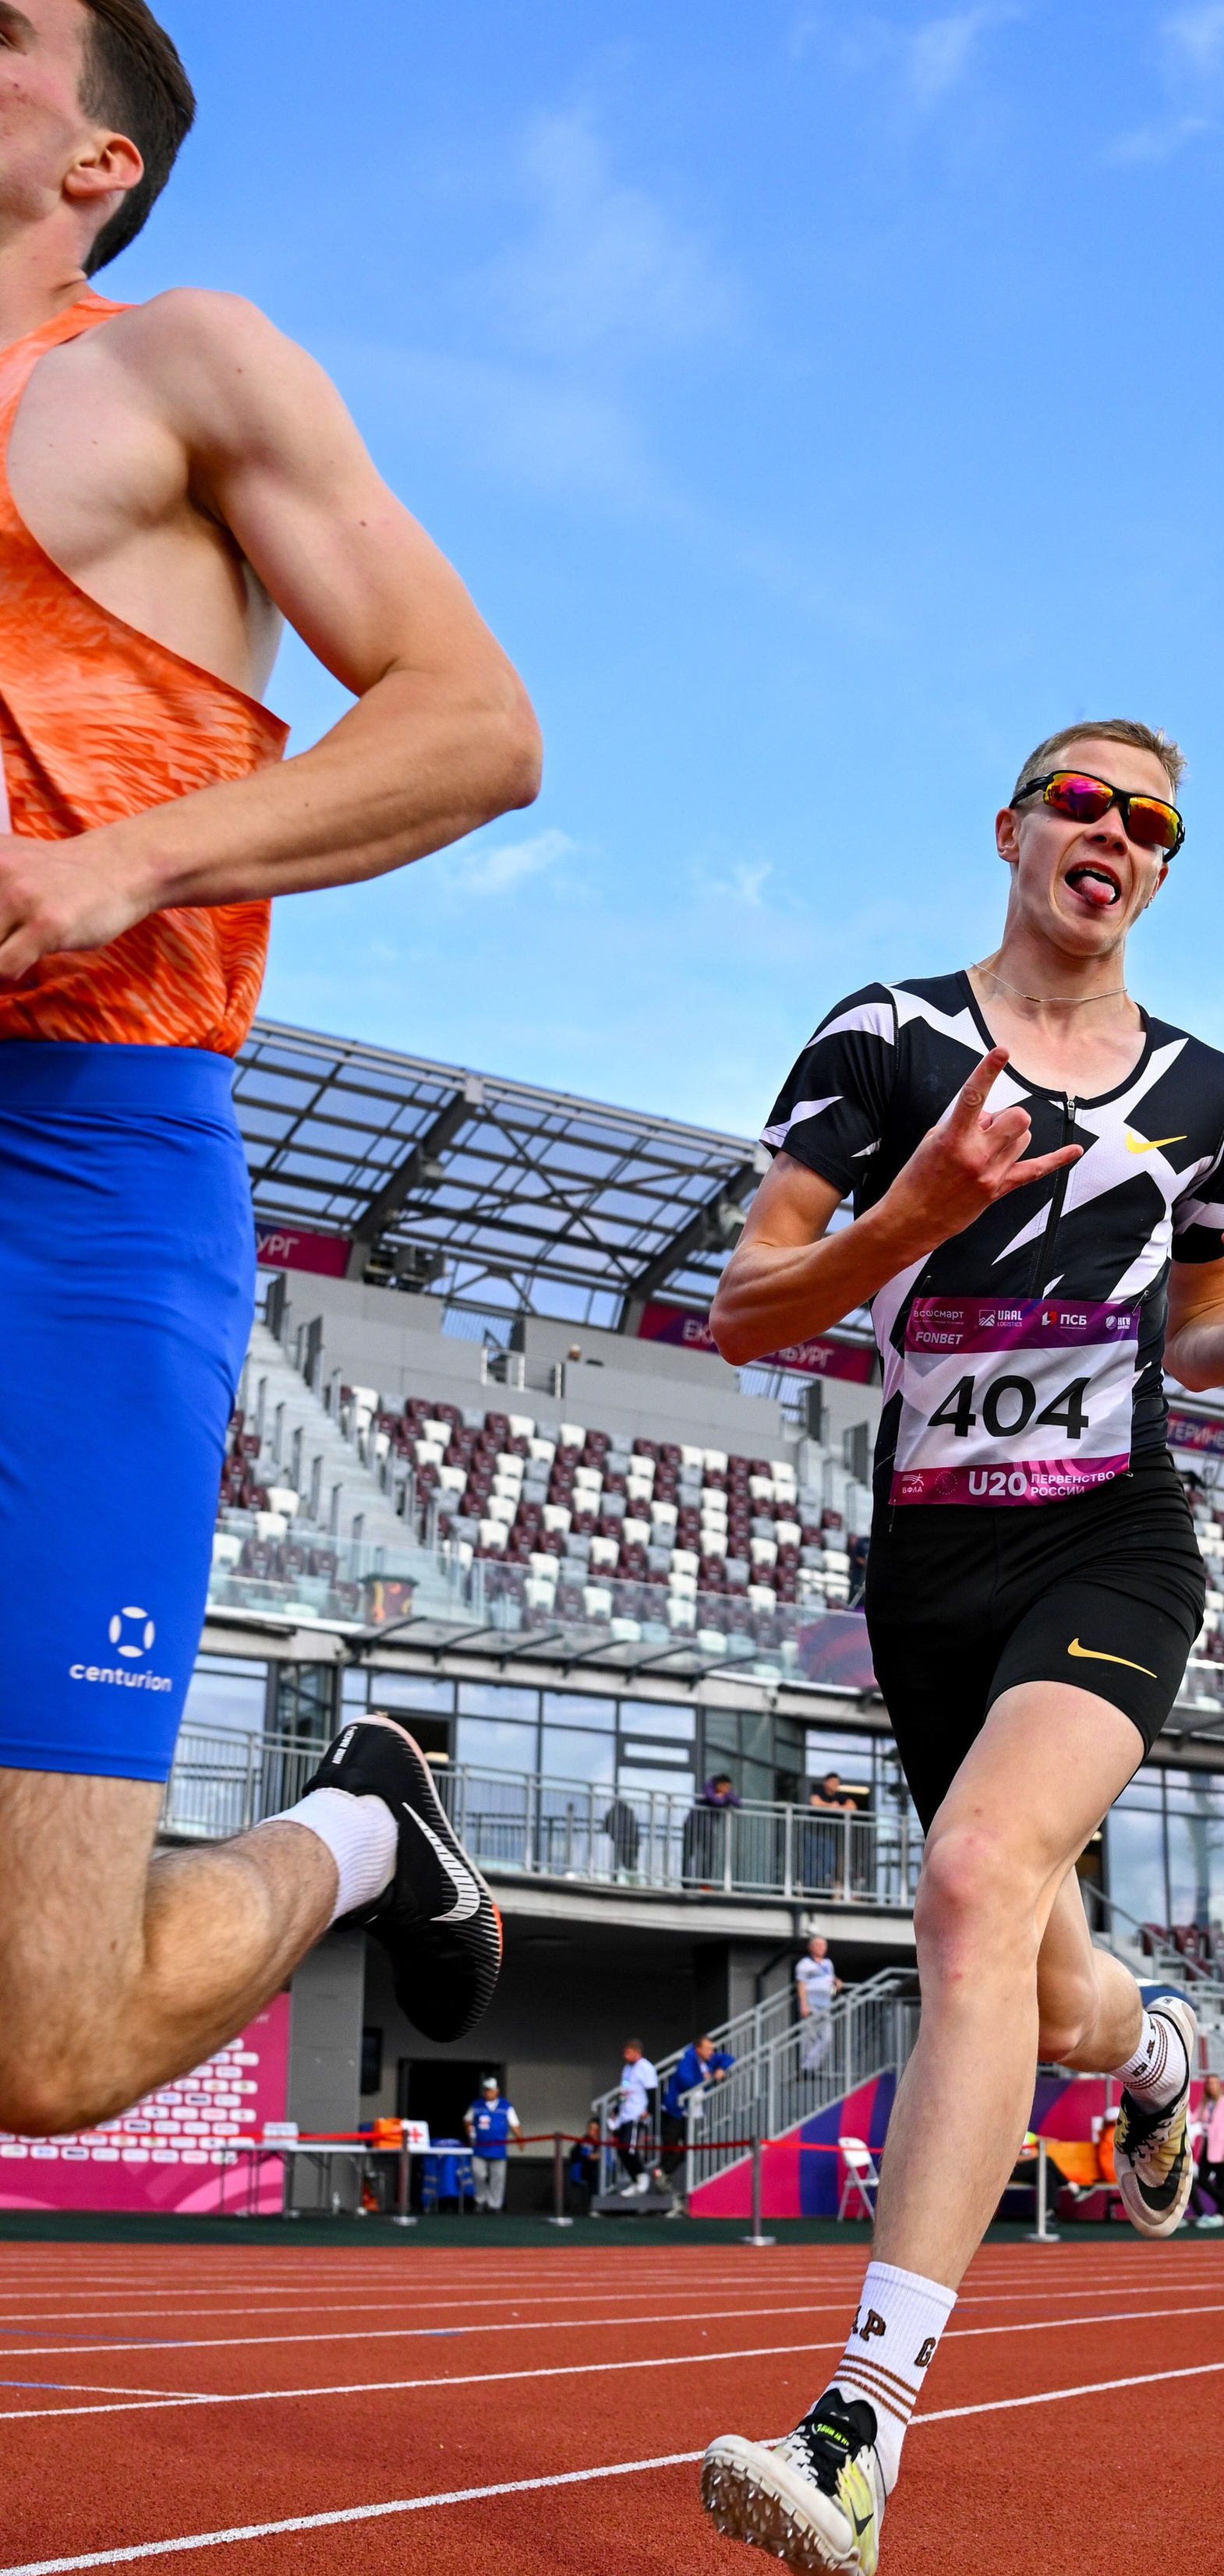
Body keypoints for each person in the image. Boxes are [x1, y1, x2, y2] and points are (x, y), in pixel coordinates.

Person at [699, 718, 1224, 2576]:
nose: (1115, 834)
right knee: (1048, 1988)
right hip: (933, 1575)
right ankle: (1154, 2049)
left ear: (1160, 869)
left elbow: (1196, 1325)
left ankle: (855, 2429)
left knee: (972, 1883)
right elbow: (749, 1303)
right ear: (1009, 829)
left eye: (1150, 821)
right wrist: (913, 1216)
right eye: (1083, 799)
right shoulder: (883, 1040)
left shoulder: (1208, 1092)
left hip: (1109, 1540)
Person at [0, 0, 540, 2143]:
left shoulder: (169, 367)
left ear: (95, 159)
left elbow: (475, 722)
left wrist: (113, 864)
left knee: (43, 2042)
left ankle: (362, 1825)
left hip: (85, 1178)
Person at [660, 2028, 734, 2214]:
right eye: (708, 2049)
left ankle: (663, 2176)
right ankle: (661, 2191)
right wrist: (705, 2080)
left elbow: (729, 2059)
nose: (711, 2052)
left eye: (712, 2049)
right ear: (697, 2049)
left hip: (694, 2113)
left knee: (690, 2148)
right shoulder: (688, 2059)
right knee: (670, 2147)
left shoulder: (710, 2059)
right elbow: (685, 2081)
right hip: (676, 2111)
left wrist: (719, 2069)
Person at [1187, 2072, 1224, 2228]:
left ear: (1220, 2085)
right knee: (1202, 2179)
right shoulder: (1205, 2103)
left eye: (1214, 2083)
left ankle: (1219, 2213)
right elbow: (1193, 2118)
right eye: (1209, 2083)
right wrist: (1183, 2105)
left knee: (1220, 2181)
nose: (1211, 2086)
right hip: (1207, 2146)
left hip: (1221, 2147)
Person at [463, 2073, 518, 2214]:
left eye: (490, 2089)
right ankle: (481, 2200)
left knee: (498, 2177)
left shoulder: (506, 2106)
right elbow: (467, 2120)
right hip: (480, 2148)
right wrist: (470, 2133)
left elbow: (514, 2124)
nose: (487, 2092)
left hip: (498, 2149)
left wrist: (520, 2139)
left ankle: (495, 2205)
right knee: (478, 2174)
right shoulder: (476, 2105)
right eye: (486, 2090)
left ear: (497, 2090)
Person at [611, 2039, 656, 2196]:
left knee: (629, 2148)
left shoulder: (645, 2067)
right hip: (625, 2115)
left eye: (628, 2052)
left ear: (637, 2052)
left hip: (637, 2115)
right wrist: (617, 2109)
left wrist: (648, 2110)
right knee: (621, 2149)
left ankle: (642, 2178)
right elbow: (625, 2091)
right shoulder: (626, 2069)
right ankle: (635, 2179)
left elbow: (652, 2092)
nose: (625, 2056)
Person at [796, 1933, 840, 2077]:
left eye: (824, 1945)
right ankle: (808, 2069)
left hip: (826, 2004)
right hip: (811, 2004)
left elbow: (830, 1983)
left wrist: (836, 1985)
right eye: (819, 1945)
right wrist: (804, 2005)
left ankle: (811, 2067)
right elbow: (801, 1985)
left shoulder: (828, 1964)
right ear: (811, 1947)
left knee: (827, 2038)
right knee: (810, 2037)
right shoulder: (804, 1964)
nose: (822, 1948)